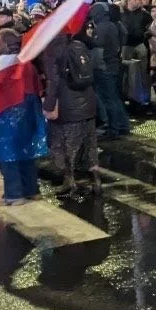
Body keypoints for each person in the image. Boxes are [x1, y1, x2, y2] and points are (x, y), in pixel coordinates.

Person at [0, 29, 48, 205]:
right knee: (26, 151)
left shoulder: (2, 62)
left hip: (7, 112)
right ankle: (31, 189)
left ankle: (14, 193)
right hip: (29, 111)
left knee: (7, 152)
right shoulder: (26, 61)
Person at [42, 28, 99, 198]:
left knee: (65, 146)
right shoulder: (79, 45)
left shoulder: (52, 51)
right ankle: (96, 181)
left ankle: (70, 182)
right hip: (87, 103)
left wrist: (48, 105)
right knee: (90, 146)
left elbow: (53, 81)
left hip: (67, 107)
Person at [89, 1, 131, 138]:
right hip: (112, 65)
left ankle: (114, 129)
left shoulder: (102, 27)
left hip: (105, 67)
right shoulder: (112, 25)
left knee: (108, 99)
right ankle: (122, 125)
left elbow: (97, 47)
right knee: (114, 98)